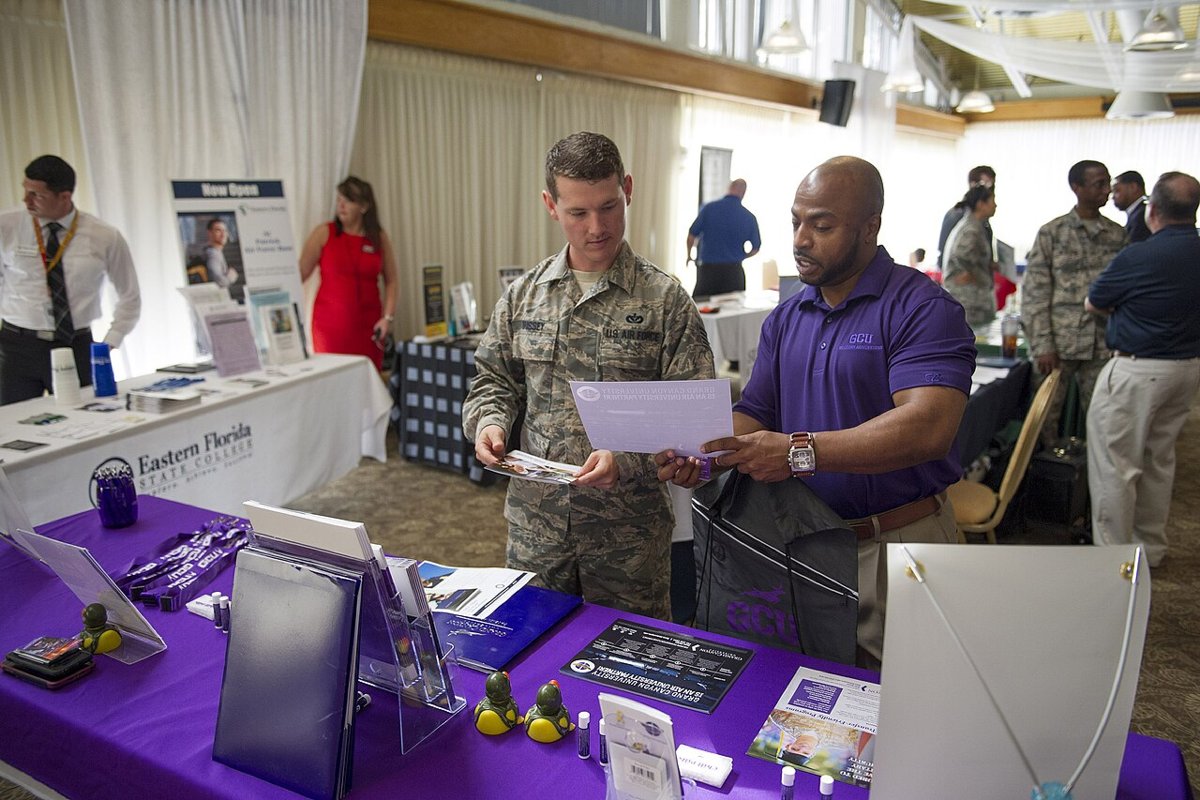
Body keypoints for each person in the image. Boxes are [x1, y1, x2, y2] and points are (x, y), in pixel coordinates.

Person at [657, 156, 976, 668]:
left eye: (821, 225)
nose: (801, 239)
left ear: (870, 226)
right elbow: (757, 412)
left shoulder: (921, 308)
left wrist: (800, 453)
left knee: (902, 710)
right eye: (795, 222)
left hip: (895, 544)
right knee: (804, 707)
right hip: (802, 544)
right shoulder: (786, 318)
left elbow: (928, 427)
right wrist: (705, 454)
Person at [463, 131, 714, 620]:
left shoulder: (665, 302)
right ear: (550, 206)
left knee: (628, 671)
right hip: (537, 528)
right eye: (578, 212)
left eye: (610, 206)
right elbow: (493, 379)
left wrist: (628, 460)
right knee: (532, 659)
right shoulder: (523, 297)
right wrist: (489, 422)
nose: (597, 227)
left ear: (629, 190)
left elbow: (694, 418)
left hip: (629, 536)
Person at [1085, 171, 1200, 568]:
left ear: (1152, 211)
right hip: (1186, 370)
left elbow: (1094, 302)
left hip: (1137, 370)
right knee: (1159, 462)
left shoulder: (1139, 254)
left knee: (1116, 467)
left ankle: (1115, 560)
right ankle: (1150, 550)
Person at [0, 155, 141, 405]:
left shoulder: (103, 235)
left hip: (77, 345)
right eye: (26, 191)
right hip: (17, 347)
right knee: (10, 428)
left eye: (36, 195)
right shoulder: (6, 227)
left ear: (64, 196)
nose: (26, 200)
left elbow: (129, 296)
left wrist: (110, 344)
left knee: (87, 420)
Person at [1024, 160, 1127, 446]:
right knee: (1043, 419)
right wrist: (1043, 343)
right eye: (1099, 184)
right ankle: (1044, 480)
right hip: (1059, 343)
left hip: (1103, 344)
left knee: (1105, 418)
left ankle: (1090, 485)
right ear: (1076, 187)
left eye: (1108, 183)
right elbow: (1035, 291)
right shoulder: (1052, 232)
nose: (1107, 190)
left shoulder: (1117, 235)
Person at [298, 176, 398, 371]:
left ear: (364, 206)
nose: (341, 205)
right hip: (330, 327)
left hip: (369, 326)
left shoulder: (378, 238)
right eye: (339, 200)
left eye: (348, 200)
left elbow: (392, 281)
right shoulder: (324, 233)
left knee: (367, 379)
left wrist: (388, 317)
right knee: (333, 378)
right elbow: (300, 273)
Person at [686, 178, 761, 298]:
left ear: (729, 188)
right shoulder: (749, 217)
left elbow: (691, 236)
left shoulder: (709, 208)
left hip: (708, 272)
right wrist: (740, 256)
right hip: (734, 272)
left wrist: (689, 255)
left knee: (701, 310)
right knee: (734, 313)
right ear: (743, 193)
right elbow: (755, 249)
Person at [942, 183, 998, 330]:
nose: (995, 205)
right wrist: (973, 275)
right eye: (992, 201)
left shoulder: (975, 225)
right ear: (981, 204)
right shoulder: (971, 229)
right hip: (969, 301)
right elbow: (962, 257)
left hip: (971, 300)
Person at [936, 165, 995, 269]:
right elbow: (944, 256)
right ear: (973, 185)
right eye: (987, 185)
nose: (990, 190)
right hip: (960, 283)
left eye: (993, 186)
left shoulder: (982, 220)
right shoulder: (957, 215)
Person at [1111, 170, 1152, 244]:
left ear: (1133, 187)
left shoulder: (1143, 215)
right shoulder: (1139, 212)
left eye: (1117, 190)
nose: (1112, 197)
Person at [204, 219, 239, 291]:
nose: (223, 235)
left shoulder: (217, 252)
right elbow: (219, 282)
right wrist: (230, 278)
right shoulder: (213, 254)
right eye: (218, 230)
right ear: (209, 233)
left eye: (225, 231)